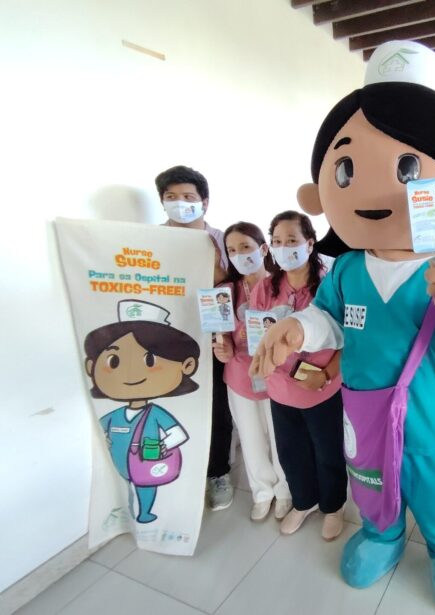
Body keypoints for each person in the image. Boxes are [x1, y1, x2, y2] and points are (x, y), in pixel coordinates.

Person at [251, 40, 435, 615]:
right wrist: (298, 329)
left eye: (408, 168)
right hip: (363, 416)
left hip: (434, 421)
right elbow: (329, 320)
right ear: (319, 194)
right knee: (370, 484)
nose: (369, 190)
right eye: (345, 169)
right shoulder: (348, 271)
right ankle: (382, 535)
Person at [250, 211, 346, 540]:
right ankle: (304, 502)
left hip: (322, 387)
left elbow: (351, 337)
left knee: (328, 450)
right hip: (280, 388)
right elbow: (258, 335)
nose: (283, 248)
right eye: (277, 241)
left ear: (310, 243)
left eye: (292, 240)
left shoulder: (331, 283)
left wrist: (328, 374)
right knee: (291, 451)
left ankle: (333, 505)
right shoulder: (266, 288)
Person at [155, 164, 235, 512]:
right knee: (171, 405)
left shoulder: (222, 239)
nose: (180, 203)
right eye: (171, 197)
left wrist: (217, 269)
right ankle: (176, 472)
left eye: (188, 196)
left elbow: (236, 287)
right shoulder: (151, 240)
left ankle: (218, 472)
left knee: (216, 405)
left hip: (213, 334)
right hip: (166, 335)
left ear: (204, 202)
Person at [84, 300, 198, 524]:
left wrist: (163, 446)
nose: (132, 373)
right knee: (121, 484)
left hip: (147, 461)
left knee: (145, 485)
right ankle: (124, 510)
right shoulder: (115, 415)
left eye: (149, 360)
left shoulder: (155, 413)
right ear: (91, 368)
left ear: (186, 366)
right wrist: (106, 440)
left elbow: (178, 434)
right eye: (114, 361)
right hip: (119, 460)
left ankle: (145, 512)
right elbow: (99, 427)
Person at [212, 222, 292, 522]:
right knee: (250, 436)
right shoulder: (224, 293)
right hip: (239, 376)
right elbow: (221, 336)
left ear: (263, 248)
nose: (239, 255)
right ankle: (262, 492)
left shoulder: (282, 287)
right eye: (232, 250)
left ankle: (285, 490)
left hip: (276, 374)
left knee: (281, 436)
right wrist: (224, 349)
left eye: (245, 247)